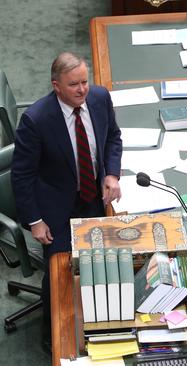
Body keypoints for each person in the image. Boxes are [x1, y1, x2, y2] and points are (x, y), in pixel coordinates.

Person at [11, 52, 122, 350]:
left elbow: (113, 136)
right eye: (74, 84)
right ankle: (54, 335)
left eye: (85, 81)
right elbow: (21, 177)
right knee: (59, 277)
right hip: (55, 211)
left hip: (94, 199)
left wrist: (112, 174)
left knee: (103, 263)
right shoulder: (36, 120)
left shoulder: (99, 98)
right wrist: (34, 220)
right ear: (56, 85)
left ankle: (100, 323)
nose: (82, 89)